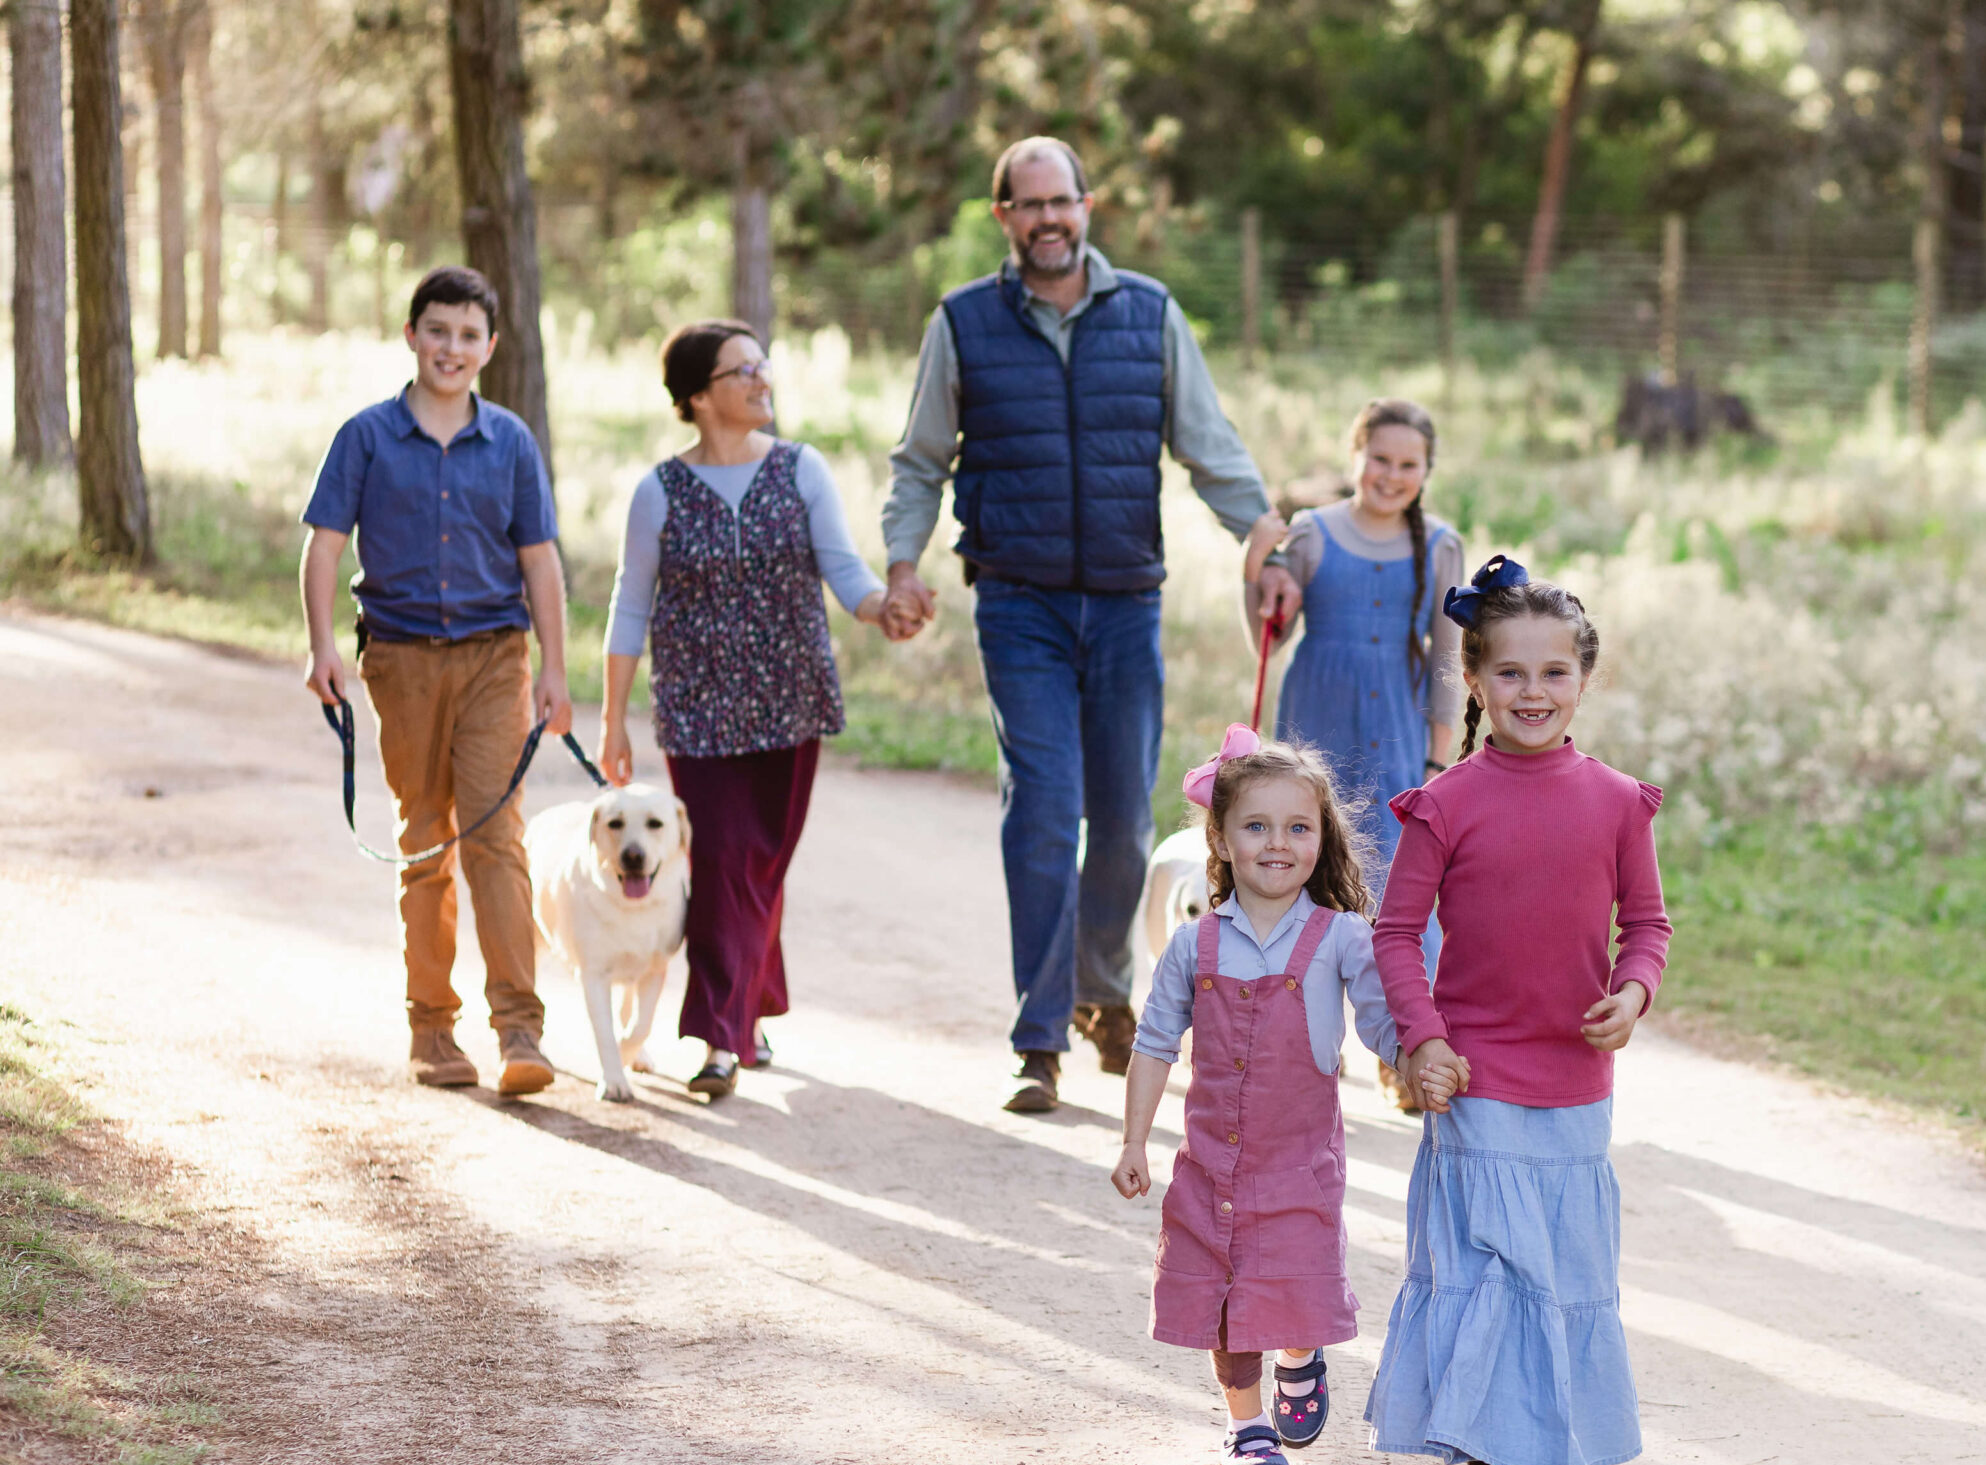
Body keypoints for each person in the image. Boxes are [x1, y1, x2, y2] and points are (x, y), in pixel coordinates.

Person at [883, 133, 1288, 1115]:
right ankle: (1038, 1036)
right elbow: (921, 457)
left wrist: (1267, 541)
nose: (1047, 219)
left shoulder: (1146, 313)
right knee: (1041, 809)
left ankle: (1100, 991)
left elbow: (1207, 444)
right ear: (1003, 220)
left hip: (1122, 602)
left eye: (1060, 201)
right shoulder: (966, 321)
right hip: (1016, 602)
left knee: (1120, 822)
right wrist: (902, 560)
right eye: (1027, 206)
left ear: (1086, 205)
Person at [1363, 558, 1673, 1465]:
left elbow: (1649, 926)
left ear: (1584, 679)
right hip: (1476, 1073)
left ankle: (1538, 1435)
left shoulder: (1619, 802)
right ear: (1475, 681)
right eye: (1509, 674)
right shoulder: (1446, 803)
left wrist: (1634, 991)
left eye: (1551, 674)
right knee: (1495, 1263)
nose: (1530, 693)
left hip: (1577, 1079)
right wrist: (1422, 1038)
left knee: (1558, 1266)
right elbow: (1393, 933)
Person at [598, 320, 930, 1098]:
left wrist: (887, 608)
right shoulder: (659, 491)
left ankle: (752, 1004)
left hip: (791, 701)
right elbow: (629, 604)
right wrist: (612, 717)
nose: (761, 379)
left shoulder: (801, 469)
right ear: (698, 395)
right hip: (698, 707)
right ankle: (719, 1036)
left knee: (762, 863)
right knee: (721, 863)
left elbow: (844, 572)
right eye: (741, 370)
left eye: (762, 365)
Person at [298, 265, 571, 1096]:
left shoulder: (512, 442)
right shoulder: (366, 436)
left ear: (490, 347)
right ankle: (432, 1029)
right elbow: (322, 547)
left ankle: (520, 1029)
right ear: (411, 336)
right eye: (438, 330)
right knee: (425, 835)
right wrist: (320, 650)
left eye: (468, 334)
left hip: (496, 655)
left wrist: (556, 668)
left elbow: (540, 559)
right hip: (403, 659)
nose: (452, 346)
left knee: (496, 835)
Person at [1111, 726, 1398, 1465]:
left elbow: (1381, 1022)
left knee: (1296, 1282)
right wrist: (1134, 1141)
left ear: (1321, 838)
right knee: (1222, 1291)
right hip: (1212, 1165)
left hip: (1300, 1164)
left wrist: (1423, 1059)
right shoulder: (1195, 943)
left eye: (1299, 827)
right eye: (1257, 826)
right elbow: (1153, 1042)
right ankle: (1246, 1425)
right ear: (1223, 836)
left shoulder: (1340, 937)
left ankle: (1301, 1353)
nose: (1279, 844)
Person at [1245, 398, 1465, 1113]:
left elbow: (1445, 661)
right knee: (1296, 882)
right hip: (1313, 733)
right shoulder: (1312, 533)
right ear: (1356, 456)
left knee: (1401, 899)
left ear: (1426, 470)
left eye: (1408, 465)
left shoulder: (1439, 545)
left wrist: (1438, 764)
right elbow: (1267, 639)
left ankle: (1408, 1049)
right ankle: (1293, 1044)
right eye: (1380, 459)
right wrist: (1255, 568)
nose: (1391, 475)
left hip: (1396, 741)